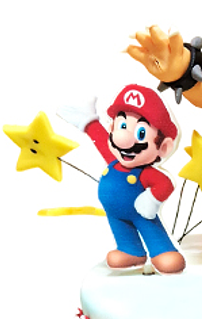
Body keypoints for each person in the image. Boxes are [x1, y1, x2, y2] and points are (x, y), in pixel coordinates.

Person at [59, 85, 185, 274]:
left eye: (141, 133)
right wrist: (88, 121)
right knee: (122, 232)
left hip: (140, 213)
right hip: (115, 215)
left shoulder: (145, 172)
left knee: (150, 229)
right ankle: (130, 251)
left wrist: (150, 200)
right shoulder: (114, 159)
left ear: (163, 147)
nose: (122, 138)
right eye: (122, 126)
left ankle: (163, 251)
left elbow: (165, 183)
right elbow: (100, 138)